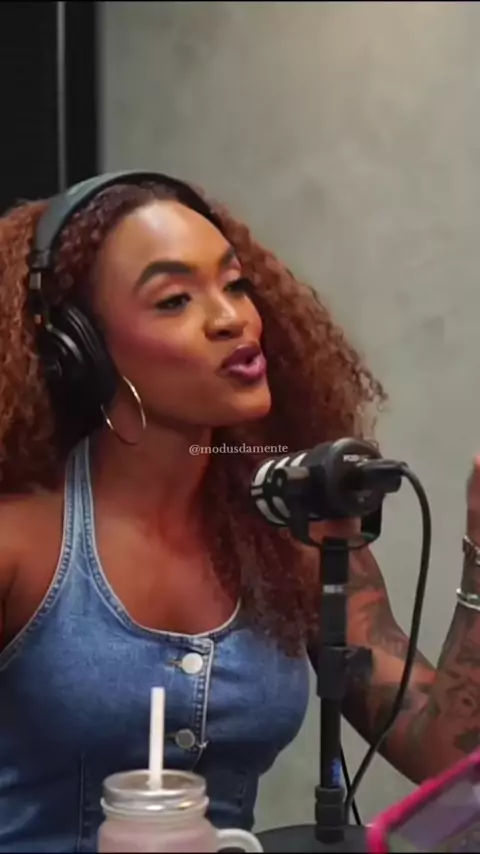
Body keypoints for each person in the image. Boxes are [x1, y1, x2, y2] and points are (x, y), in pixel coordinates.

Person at [0, 171, 479, 854]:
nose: (232, 318)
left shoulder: (296, 529)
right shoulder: (18, 539)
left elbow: (445, 760)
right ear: (79, 348)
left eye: (235, 284)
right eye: (174, 300)